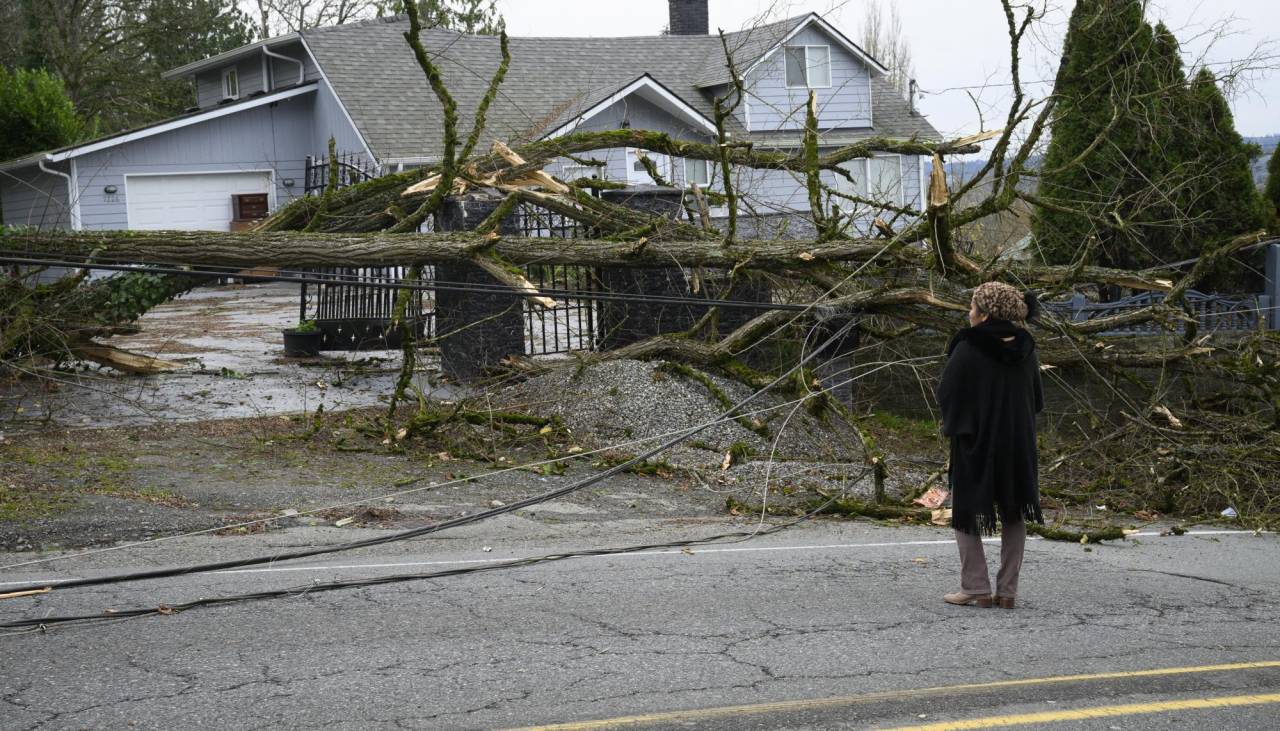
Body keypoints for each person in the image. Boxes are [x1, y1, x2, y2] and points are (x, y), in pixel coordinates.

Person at [936, 281, 1044, 609]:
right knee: (1014, 511)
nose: (968, 314)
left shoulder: (968, 346)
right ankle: (1007, 591)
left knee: (966, 511)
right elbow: (1036, 398)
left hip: (977, 442)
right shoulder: (1027, 347)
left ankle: (976, 587)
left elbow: (948, 394)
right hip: (1017, 443)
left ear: (984, 315)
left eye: (971, 308)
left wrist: (958, 427)